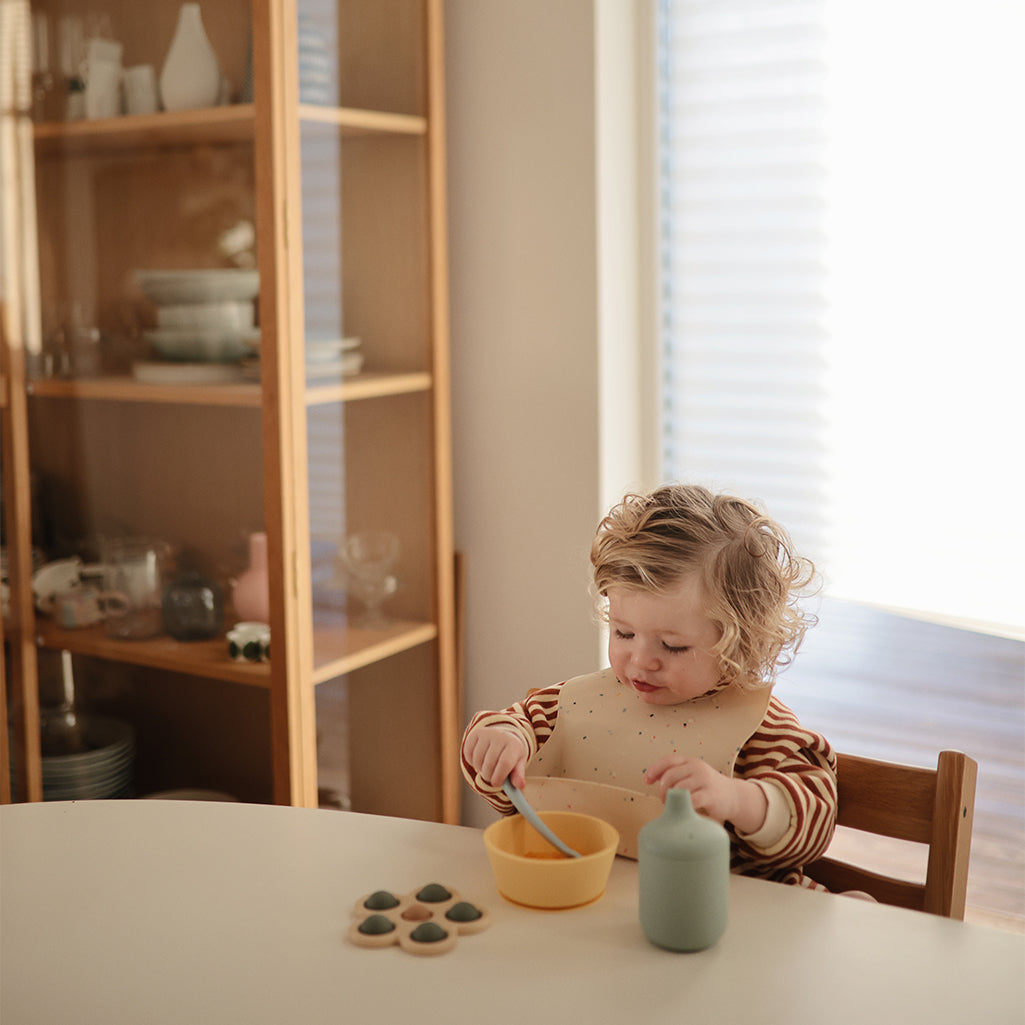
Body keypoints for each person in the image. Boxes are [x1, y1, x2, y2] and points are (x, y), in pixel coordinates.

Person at [461, 483, 838, 888]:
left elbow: (813, 826)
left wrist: (736, 799)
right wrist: (498, 742)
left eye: (673, 646)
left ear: (742, 644)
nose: (640, 661)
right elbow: (510, 785)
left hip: (724, 917)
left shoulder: (764, 731)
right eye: (623, 633)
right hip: (593, 903)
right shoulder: (570, 707)